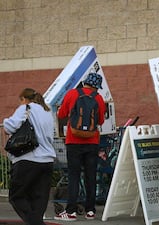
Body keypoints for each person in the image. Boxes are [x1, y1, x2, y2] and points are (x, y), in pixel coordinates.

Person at [55, 73, 106, 221]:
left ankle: (71, 212)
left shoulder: (72, 94)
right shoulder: (99, 98)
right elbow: (101, 121)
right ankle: (90, 211)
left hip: (73, 141)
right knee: (90, 176)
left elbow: (61, 114)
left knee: (74, 176)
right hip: (92, 142)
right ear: (96, 86)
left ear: (85, 83)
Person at [3, 88, 56, 225]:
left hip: (28, 158)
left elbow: (10, 126)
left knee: (17, 196)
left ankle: (35, 223)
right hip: (47, 160)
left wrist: (6, 121)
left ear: (24, 99)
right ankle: (36, 221)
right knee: (39, 199)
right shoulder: (48, 111)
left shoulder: (25, 108)